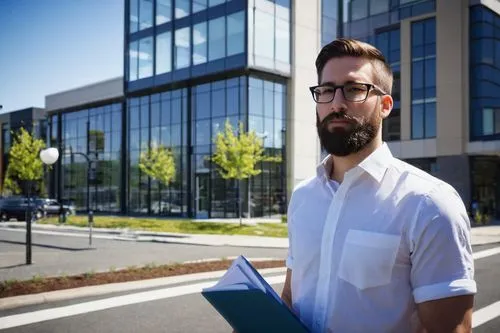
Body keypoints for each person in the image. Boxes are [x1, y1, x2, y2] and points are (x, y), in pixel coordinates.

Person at [281, 39, 476, 333]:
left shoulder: (429, 204)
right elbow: (291, 297)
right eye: (326, 90)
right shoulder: (304, 196)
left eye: (354, 89)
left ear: (385, 105)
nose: (336, 103)